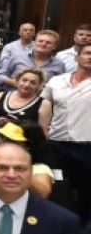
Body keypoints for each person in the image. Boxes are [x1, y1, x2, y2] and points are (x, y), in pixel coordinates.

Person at [39, 43, 91, 222]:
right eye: (87, 54)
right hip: (57, 144)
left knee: (85, 193)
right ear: (77, 57)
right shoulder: (57, 81)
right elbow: (45, 106)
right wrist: (44, 133)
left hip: (86, 147)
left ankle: (82, 232)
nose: (90, 57)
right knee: (57, 188)